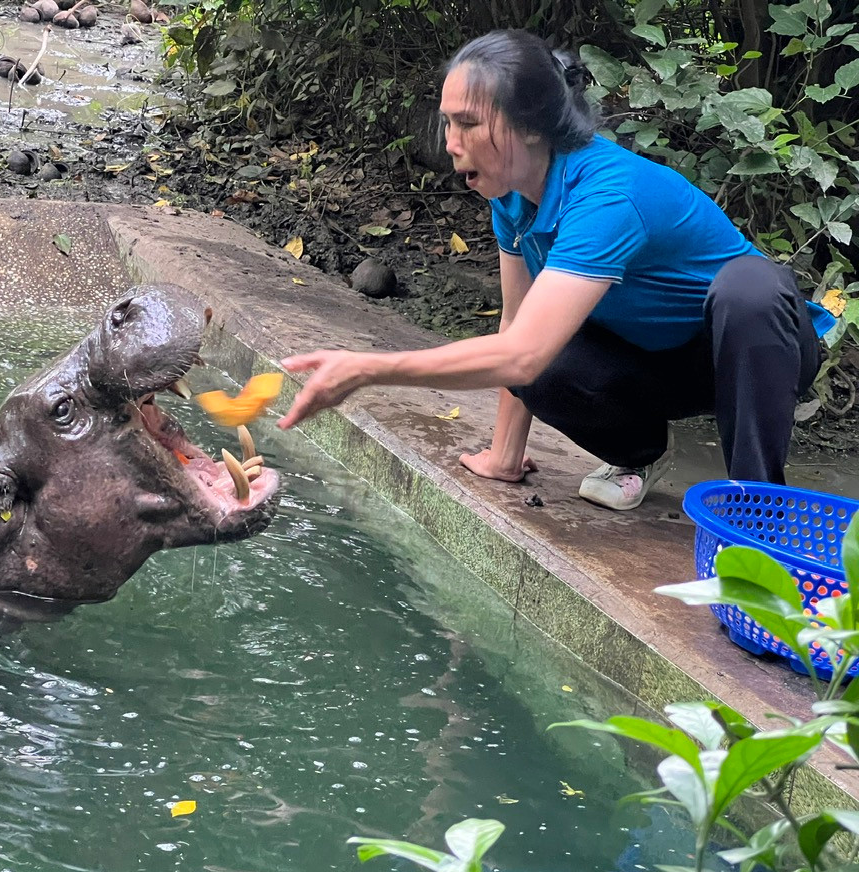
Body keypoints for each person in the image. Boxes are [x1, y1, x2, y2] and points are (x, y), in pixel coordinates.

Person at [276, 28, 835, 510]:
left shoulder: (608, 195)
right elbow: (516, 335)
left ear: (533, 128)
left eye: (468, 124)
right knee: (535, 362)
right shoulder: (511, 198)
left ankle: (757, 510)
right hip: (655, 366)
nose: (451, 144)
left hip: (755, 352)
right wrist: (503, 456)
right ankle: (636, 456)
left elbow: (520, 350)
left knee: (750, 286)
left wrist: (367, 368)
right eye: (446, 123)